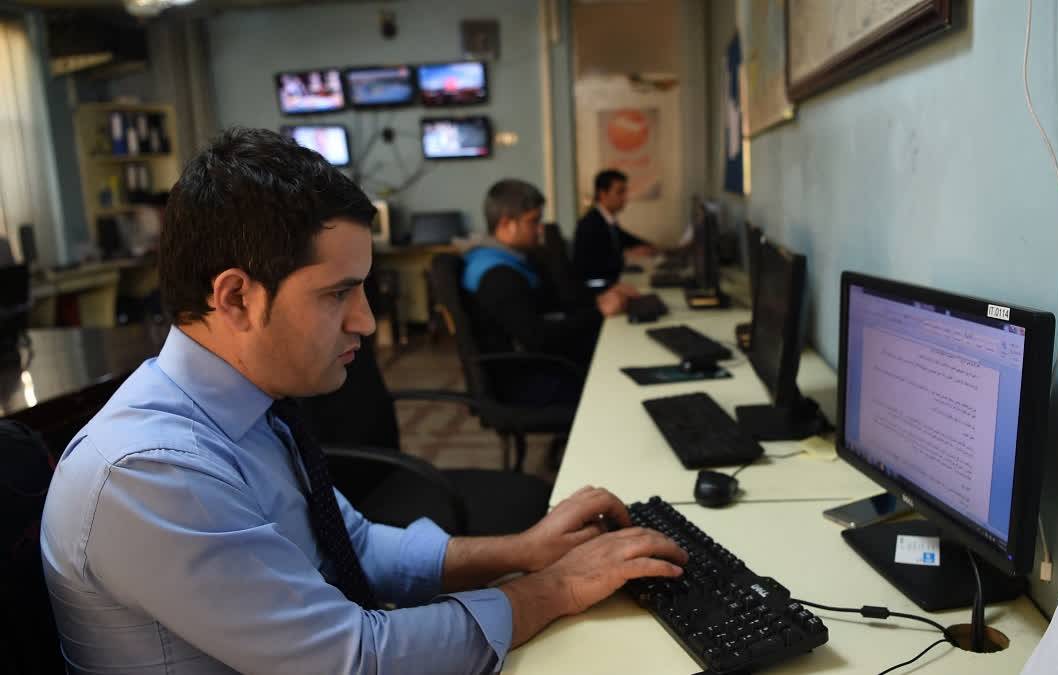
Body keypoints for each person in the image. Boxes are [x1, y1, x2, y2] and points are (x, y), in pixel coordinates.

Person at [39, 128, 686, 674]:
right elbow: (352, 658)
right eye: (336, 294)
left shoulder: (250, 408)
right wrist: (558, 587)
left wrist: (524, 550)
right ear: (235, 298)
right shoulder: (151, 470)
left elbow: (354, 549)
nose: (368, 322)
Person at [457, 178, 637, 406]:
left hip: (538, 364)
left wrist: (597, 301)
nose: (540, 228)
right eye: (533, 221)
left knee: (615, 357)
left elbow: (552, 306)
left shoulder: (510, 259)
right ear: (506, 224)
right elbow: (538, 338)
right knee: (618, 381)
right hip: (525, 381)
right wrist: (598, 312)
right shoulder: (497, 274)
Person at [572, 169, 656, 292]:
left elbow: (629, 240)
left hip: (609, 281)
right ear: (602, 194)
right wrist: (626, 256)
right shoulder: (590, 224)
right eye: (620, 192)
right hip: (596, 287)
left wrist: (653, 247)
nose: (625, 198)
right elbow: (591, 267)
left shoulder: (608, 221)